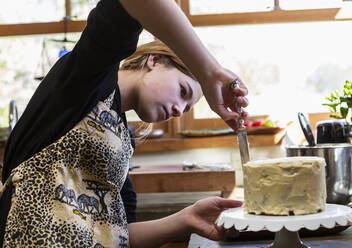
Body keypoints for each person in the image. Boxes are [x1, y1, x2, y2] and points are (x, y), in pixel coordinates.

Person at [0, 0, 248, 247]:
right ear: (154, 61)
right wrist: (208, 71)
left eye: (186, 109)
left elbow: (120, 235)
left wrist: (186, 219)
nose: (178, 110)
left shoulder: (120, 143)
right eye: (182, 91)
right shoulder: (87, 80)